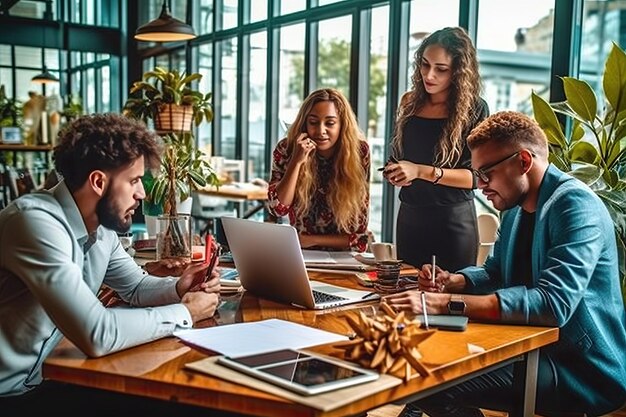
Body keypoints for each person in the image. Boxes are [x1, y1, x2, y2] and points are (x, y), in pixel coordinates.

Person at [385, 111, 626, 416]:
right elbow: (494, 273)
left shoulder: (576, 206)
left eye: (486, 173)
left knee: (429, 384)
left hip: (579, 367)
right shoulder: (513, 209)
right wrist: (453, 281)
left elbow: (553, 305)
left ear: (524, 162)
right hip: (526, 346)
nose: (480, 185)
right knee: (420, 362)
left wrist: (445, 303)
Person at [0, 113, 222, 415]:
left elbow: (135, 287)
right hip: (12, 395)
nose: (142, 193)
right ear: (98, 181)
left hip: (47, 378)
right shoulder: (35, 222)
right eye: (133, 181)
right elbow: (97, 333)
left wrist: (179, 287)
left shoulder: (100, 226)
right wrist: (186, 312)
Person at [383, 26, 489, 271]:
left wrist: (419, 171)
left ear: (459, 72)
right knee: (408, 297)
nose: (429, 75)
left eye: (441, 69)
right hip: (410, 219)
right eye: (424, 64)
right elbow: (397, 156)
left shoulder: (475, 109)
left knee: (451, 301)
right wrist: (394, 171)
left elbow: (476, 177)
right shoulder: (409, 102)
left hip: (453, 223)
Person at [267, 88, 370, 252]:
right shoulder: (286, 149)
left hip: (343, 258)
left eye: (330, 123)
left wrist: (310, 240)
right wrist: (296, 161)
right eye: (313, 122)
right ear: (304, 123)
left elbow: (359, 238)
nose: (321, 130)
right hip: (301, 254)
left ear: (342, 124)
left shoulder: (358, 152)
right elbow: (278, 208)